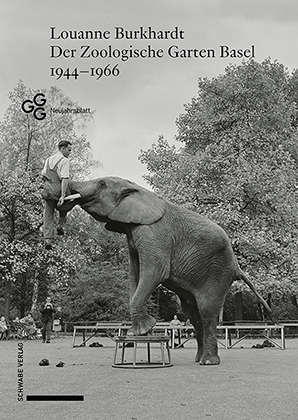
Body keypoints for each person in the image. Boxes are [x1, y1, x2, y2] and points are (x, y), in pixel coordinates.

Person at [41, 140, 72, 249]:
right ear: (62, 148)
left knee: (48, 213)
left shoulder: (48, 160)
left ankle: (48, 239)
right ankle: (61, 225)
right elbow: (65, 179)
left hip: (48, 189)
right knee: (67, 203)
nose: (70, 153)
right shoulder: (65, 161)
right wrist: (63, 195)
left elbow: (43, 174)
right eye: (69, 150)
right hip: (58, 188)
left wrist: (49, 184)